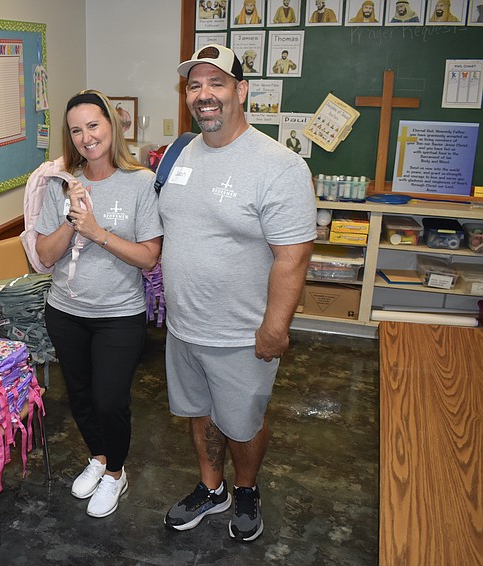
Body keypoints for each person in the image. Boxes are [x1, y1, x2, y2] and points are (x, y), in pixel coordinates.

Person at [160, 44, 316, 543]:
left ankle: (246, 488)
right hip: (184, 326)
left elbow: (293, 255)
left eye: (217, 83)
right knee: (200, 413)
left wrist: (275, 327)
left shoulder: (279, 166)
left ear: (241, 91)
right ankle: (213, 489)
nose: (204, 95)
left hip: (241, 334)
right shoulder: (181, 152)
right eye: (194, 85)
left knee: (243, 424)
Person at [34, 89, 163, 519]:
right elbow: (46, 256)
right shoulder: (62, 184)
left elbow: (148, 256)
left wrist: (95, 230)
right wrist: (73, 222)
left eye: (93, 125)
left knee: (111, 401)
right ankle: (100, 457)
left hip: (119, 316)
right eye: (76, 130)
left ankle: (117, 472)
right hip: (65, 311)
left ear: (112, 125)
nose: (87, 137)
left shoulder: (142, 183)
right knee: (83, 398)